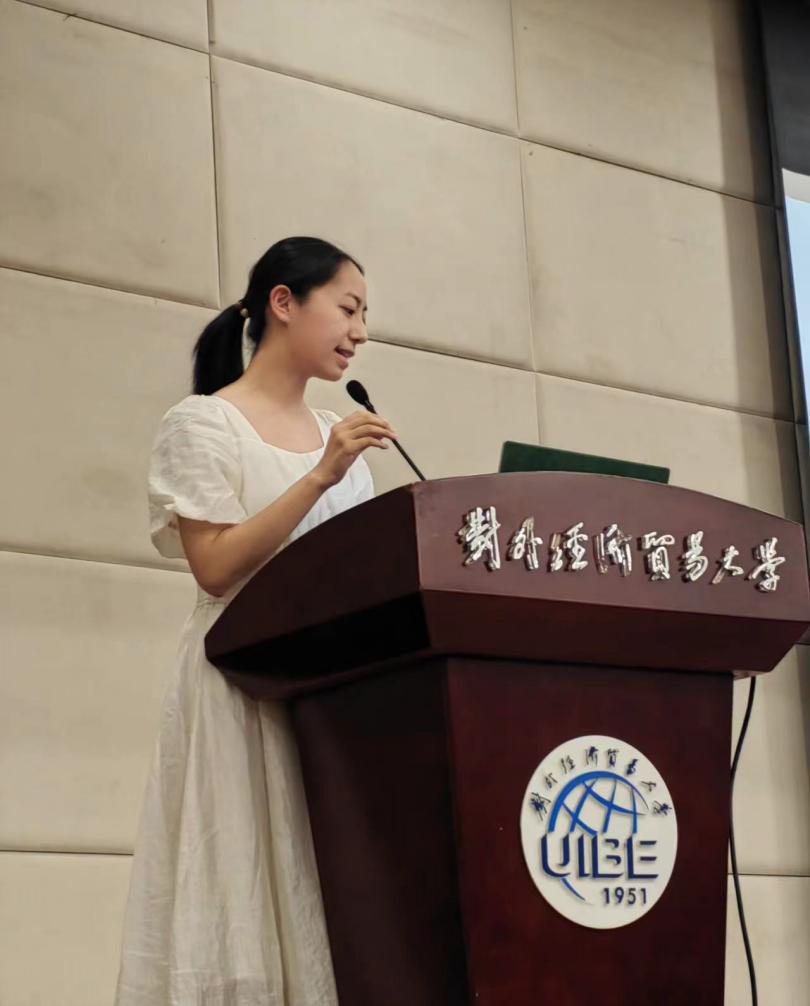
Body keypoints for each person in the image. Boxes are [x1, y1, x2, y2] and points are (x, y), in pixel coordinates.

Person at [114, 236, 397, 1005]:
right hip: (239, 686)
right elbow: (215, 566)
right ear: (283, 303)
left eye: (365, 315)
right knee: (237, 888)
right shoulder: (205, 424)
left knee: (322, 898)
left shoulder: (342, 437)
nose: (360, 331)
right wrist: (322, 475)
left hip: (327, 697)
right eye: (348, 308)